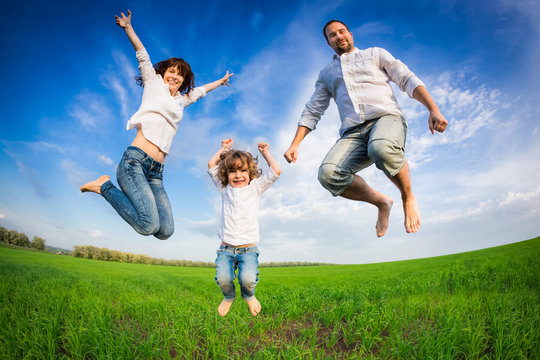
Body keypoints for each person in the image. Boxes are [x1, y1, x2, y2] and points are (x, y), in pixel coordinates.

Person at [284, 20, 448, 237]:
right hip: (352, 133)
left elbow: (406, 78)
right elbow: (313, 109)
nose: (339, 36)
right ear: (328, 42)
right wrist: (296, 143)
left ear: (350, 34)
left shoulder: (375, 54)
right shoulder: (326, 74)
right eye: (332, 35)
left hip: (385, 119)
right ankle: (382, 202)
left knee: (380, 148)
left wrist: (433, 109)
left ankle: (407, 196)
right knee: (328, 174)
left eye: (342, 31)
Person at [80, 10, 233, 240]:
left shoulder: (180, 101)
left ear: (184, 81)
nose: (174, 76)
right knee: (146, 226)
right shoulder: (153, 84)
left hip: (156, 172)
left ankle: (107, 188)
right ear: (163, 73)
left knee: (165, 231)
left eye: (180, 75)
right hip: (135, 162)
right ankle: (104, 186)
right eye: (171, 71)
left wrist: (220, 83)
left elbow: (200, 92)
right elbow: (142, 54)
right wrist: (128, 27)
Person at [208, 138, 281, 316]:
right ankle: (229, 297)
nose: (238, 175)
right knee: (223, 279)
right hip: (225, 248)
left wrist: (265, 153)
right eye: (232, 171)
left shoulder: (255, 187)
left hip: (248, 249)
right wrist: (224, 148)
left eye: (242, 170)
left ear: (250, 173)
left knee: (247, 280)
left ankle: (249, 296)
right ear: (226, 174)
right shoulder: (224, 188)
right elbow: (211, 164)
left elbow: (276, 171)